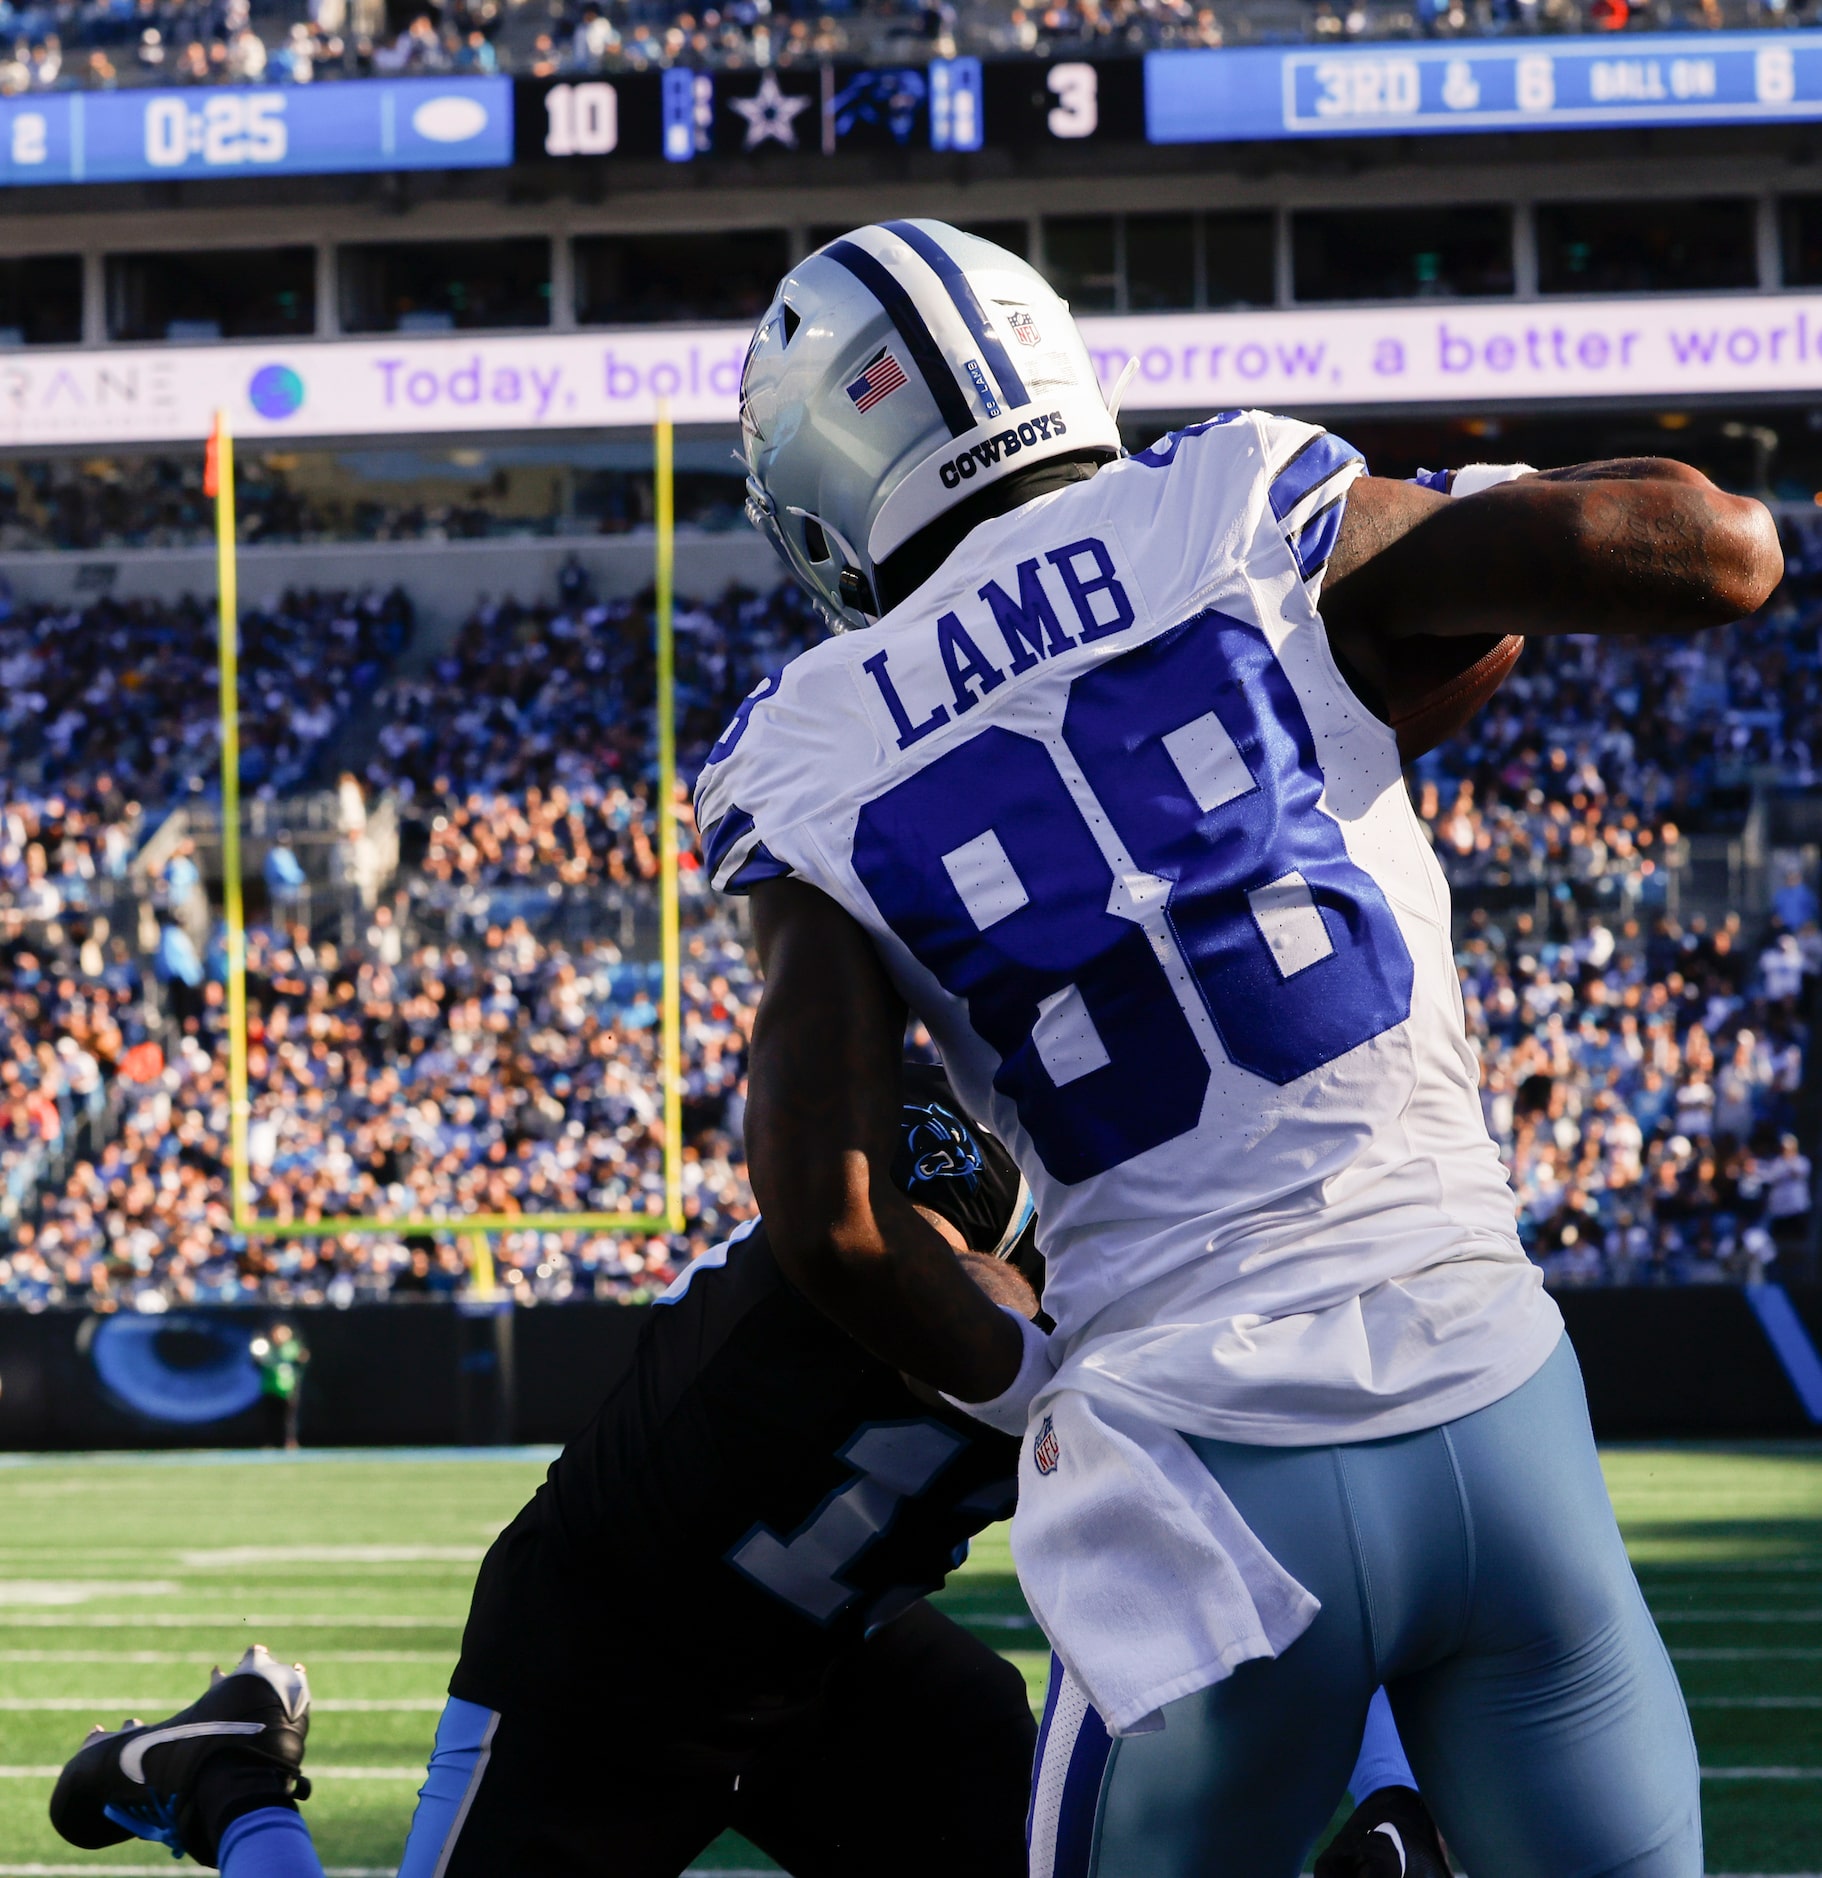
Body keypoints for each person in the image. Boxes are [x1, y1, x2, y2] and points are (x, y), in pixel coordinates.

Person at [705, 221, 1782, 1878]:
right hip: (1496, 1403)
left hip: (1200, 1470)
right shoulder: (1238, 501)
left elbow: (833, 1212)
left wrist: (1025, 1379)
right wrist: (1473, 504)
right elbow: (1717, 550)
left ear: (832, 478)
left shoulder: (803, 743)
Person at [47, 1068, 1440, 1877]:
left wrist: (1386, 1791)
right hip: (604, 1668)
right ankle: (225, 1780)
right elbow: (942, 1299)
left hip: (841, 1662)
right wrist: (1146, 1338)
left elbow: (1295, 1510)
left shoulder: (1153, 1223)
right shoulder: (940, 1158)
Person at [250, 1323, 307, 1450]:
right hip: (270, 1387)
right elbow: (256, 1364)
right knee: (271, 1418)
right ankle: (271, 1442)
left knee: (289, 1418)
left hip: (287, 1387)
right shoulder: (267, 1348)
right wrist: (257, 1358)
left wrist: (301, 1359)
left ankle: (290, 1442)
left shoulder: (292, 1347)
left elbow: (301, 1361)